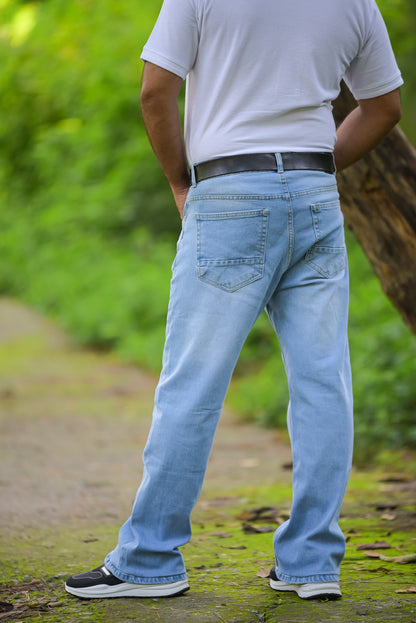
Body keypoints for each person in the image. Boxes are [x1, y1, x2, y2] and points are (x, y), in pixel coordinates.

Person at [65, 0, 402, 601]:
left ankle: (148, 559)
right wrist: (317, 168)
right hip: (316, 195)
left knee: (192, 381)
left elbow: (155, 92)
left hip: (229, 192)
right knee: (324, 383)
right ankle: (312, 562)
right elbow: (384, 108)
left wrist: (178, 180)